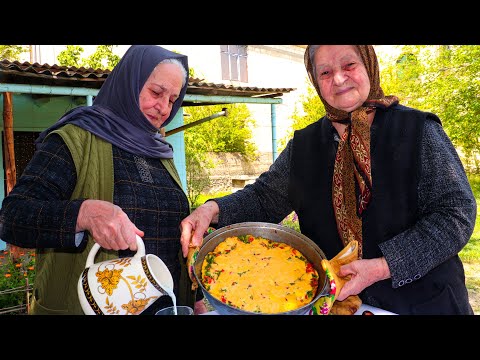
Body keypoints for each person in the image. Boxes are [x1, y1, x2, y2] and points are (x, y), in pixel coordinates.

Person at [180, 45, 477, 315]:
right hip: (336, 306)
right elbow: (263, 198)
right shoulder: (305, 145)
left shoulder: (418, 131)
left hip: (424, 303)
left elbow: (456, 214)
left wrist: (384, 266)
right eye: (325, 72)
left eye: (348, 65)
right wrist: (212, 209)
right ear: (315, 81)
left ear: (368, 65)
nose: (338, 79)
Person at [0, 45, 208, 315]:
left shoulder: (160, 152)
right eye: (156, 93)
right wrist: (83, 214)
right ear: (129, 83)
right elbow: (12, 217)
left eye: (172, 100)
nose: (163, 108)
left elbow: (171, 233)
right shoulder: (76, 139)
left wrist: (198, 296)